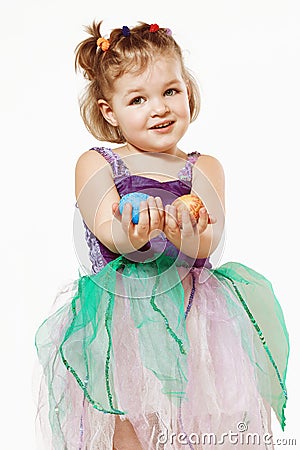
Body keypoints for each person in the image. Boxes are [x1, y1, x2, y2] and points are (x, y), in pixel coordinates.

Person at [35, 21, 289, 450]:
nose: (160, 108)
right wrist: (136, 231)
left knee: (197, 424)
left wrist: (187, 233)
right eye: (138, 98)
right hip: (121, 321)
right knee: (129, 425)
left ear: (188, 90)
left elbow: (209, 241)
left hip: (197, 320)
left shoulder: (203, 167)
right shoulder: (97, 163)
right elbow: (110, 231)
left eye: (171, 91)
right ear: (109, 110)